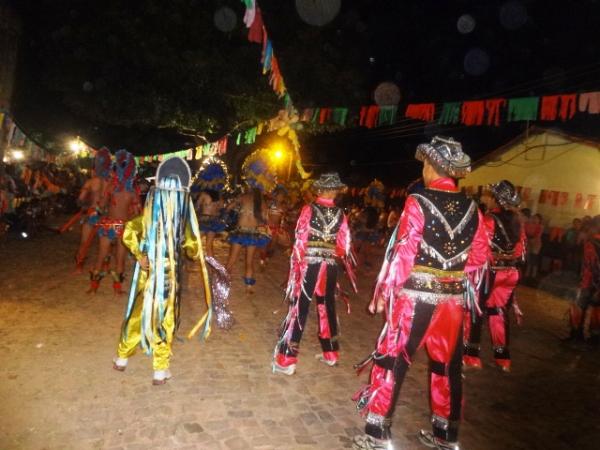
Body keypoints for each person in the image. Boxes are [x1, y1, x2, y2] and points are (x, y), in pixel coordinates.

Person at [352, 136, 489, 450]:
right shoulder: (473, 209)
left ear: (433, 167)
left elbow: (402, 255)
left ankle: (378, 434)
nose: (424, 170)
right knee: (448, 366)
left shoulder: (418, 201)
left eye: (425, 164)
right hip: (453, 302)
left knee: (394, 360)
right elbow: (480, 257)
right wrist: (451, 275)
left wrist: (384, 293)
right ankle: (447, 436)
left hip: (416, 298)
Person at [112, 157, 214, 385]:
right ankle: (160, 369)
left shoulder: (149, 212)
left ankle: (121, 358)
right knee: (164, 317)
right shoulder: (183, 216)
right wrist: (197, 252)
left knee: (140, 310)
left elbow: (129, 229)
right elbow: (191, 247)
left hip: (148, 274)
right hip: (169, 276)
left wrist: (140, 255)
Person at [273, 172, 355, 375]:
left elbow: (300, 239)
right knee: (326, 306)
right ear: (335, 191)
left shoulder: (309, 210)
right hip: (330, 265)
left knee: (300, 306)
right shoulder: (340, 214)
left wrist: (298, 263)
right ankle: (331, 354)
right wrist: (330, 255)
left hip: (309, 263)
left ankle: (287, 359)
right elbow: (344, 246)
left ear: (319, 190)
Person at [463, 181, 526, 372]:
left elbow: (479, 249)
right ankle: (503, 358)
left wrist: (466, 269)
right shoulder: (518, 223)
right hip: (510, 273)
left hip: (490, 272)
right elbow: (520, 251)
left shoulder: (489, 219)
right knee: (499, 312)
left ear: (496, 199)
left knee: (476, 309)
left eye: (491, 197)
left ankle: (471, 355)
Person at [89, 150, 141, 293]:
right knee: (119, 258)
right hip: (122, 226)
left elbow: (102, 205)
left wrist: (97, 210)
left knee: (103, 255)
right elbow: (137, 213)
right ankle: (116, 288)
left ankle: (94, 287)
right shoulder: (132, 192)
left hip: (110, 224)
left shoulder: (112, 188)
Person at [225, 186, 270, 293]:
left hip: (240, 232)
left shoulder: (243, 197)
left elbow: (228, 208)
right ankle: (249, 286)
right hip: (253, 233)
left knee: (232, 259)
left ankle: (224, 281)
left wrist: (238, 210)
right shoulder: (262, 201)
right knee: (249, 261)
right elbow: (265, 219)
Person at [75, 147, 112, 271]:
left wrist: (84, 204)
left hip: (92, 214)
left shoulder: (91, 182)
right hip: (106, 216)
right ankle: (105, 265)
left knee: (84, 242)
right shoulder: (111, 183)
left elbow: (80, 200)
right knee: (106, 243)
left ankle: (79, 266)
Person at [565, 216, 600, 344]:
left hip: (588, 282)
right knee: (596, 310)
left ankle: (577, 334)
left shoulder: (591, 244)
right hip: (594, 283)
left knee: (579, 307)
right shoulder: (590, 242)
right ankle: (594, 337)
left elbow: (591, 265)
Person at [524, 213, 543, 279]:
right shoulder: (528, 224)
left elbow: (538, 235)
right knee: (529, 257)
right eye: (533, 217)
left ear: (539, 220)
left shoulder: (540, 226)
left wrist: (532, 239)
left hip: (536, 243)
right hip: (528, 242)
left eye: (536, 218)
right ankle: (527, 272)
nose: (534, 219)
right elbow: (525, 232)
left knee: (534, 257)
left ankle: (533, 274)